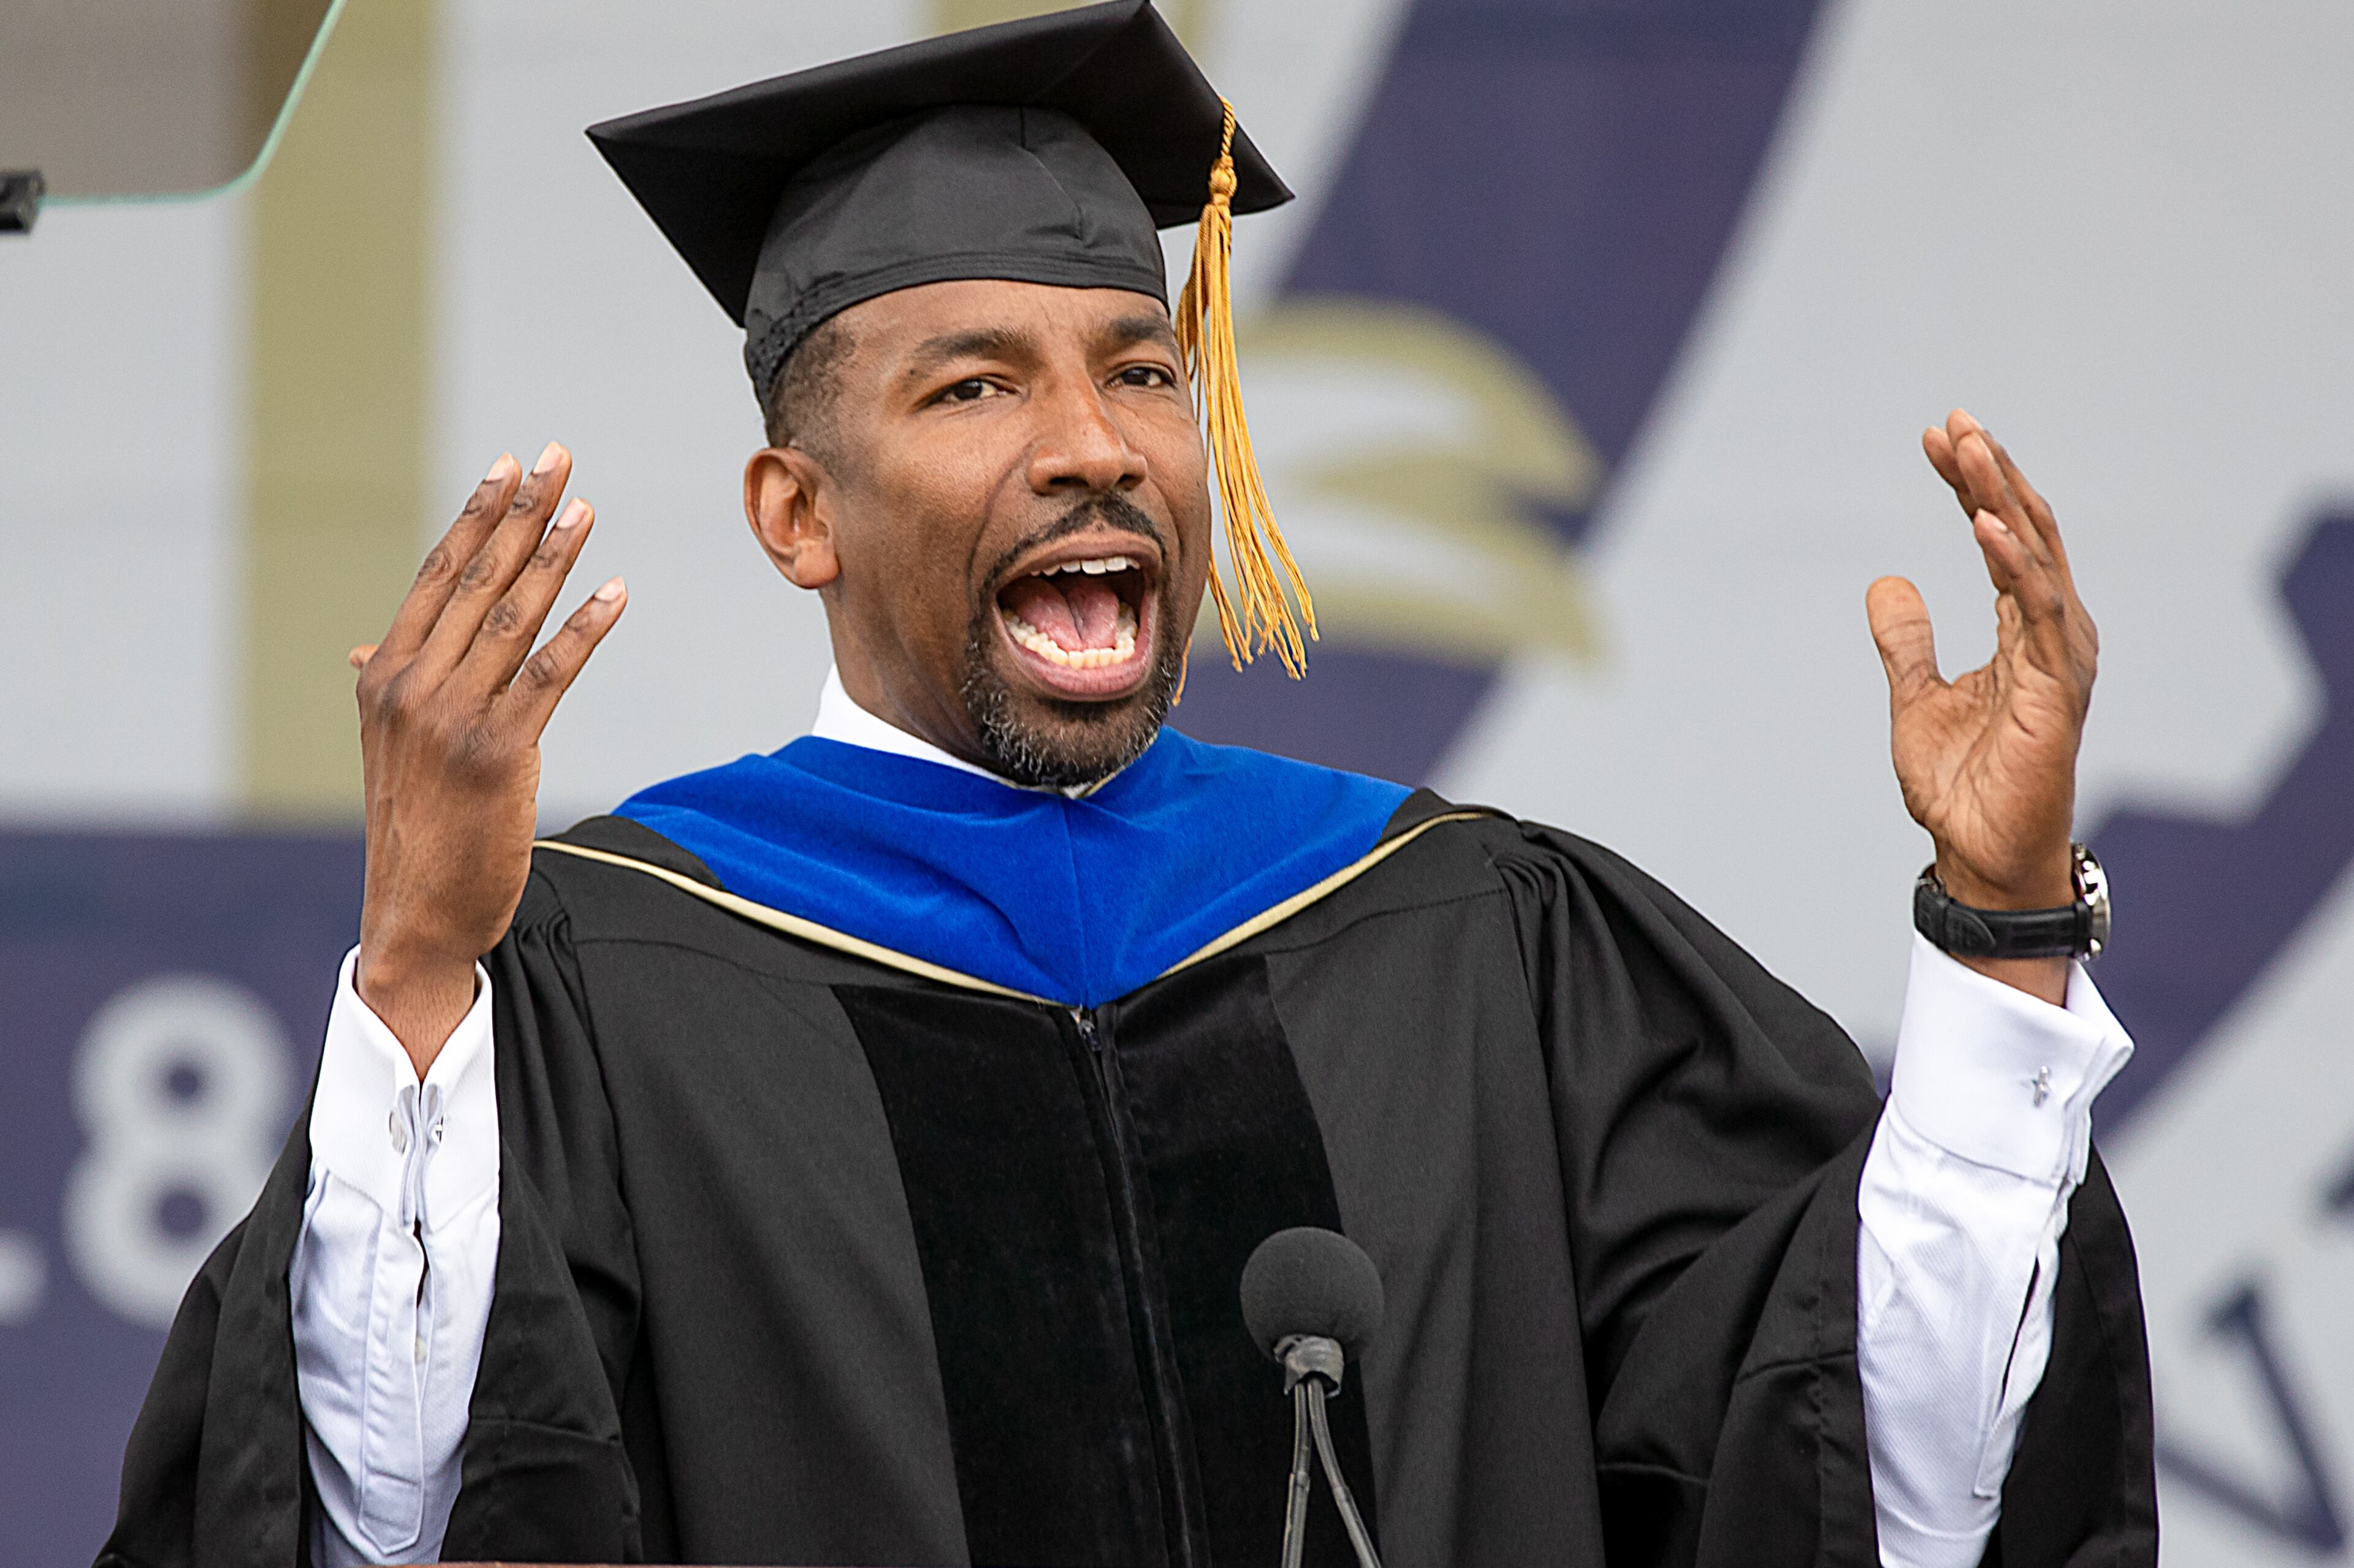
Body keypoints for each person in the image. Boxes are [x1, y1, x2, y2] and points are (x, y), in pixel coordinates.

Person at [99, 4, 2153, 1566]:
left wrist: (1997, 938)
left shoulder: (1471, 943)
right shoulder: (605, 988)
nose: (1097, 444)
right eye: (979, 384)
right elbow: (381, 1518)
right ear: (795, 512)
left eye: (1141, 370)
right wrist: (425, 976)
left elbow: (1886, 1480)